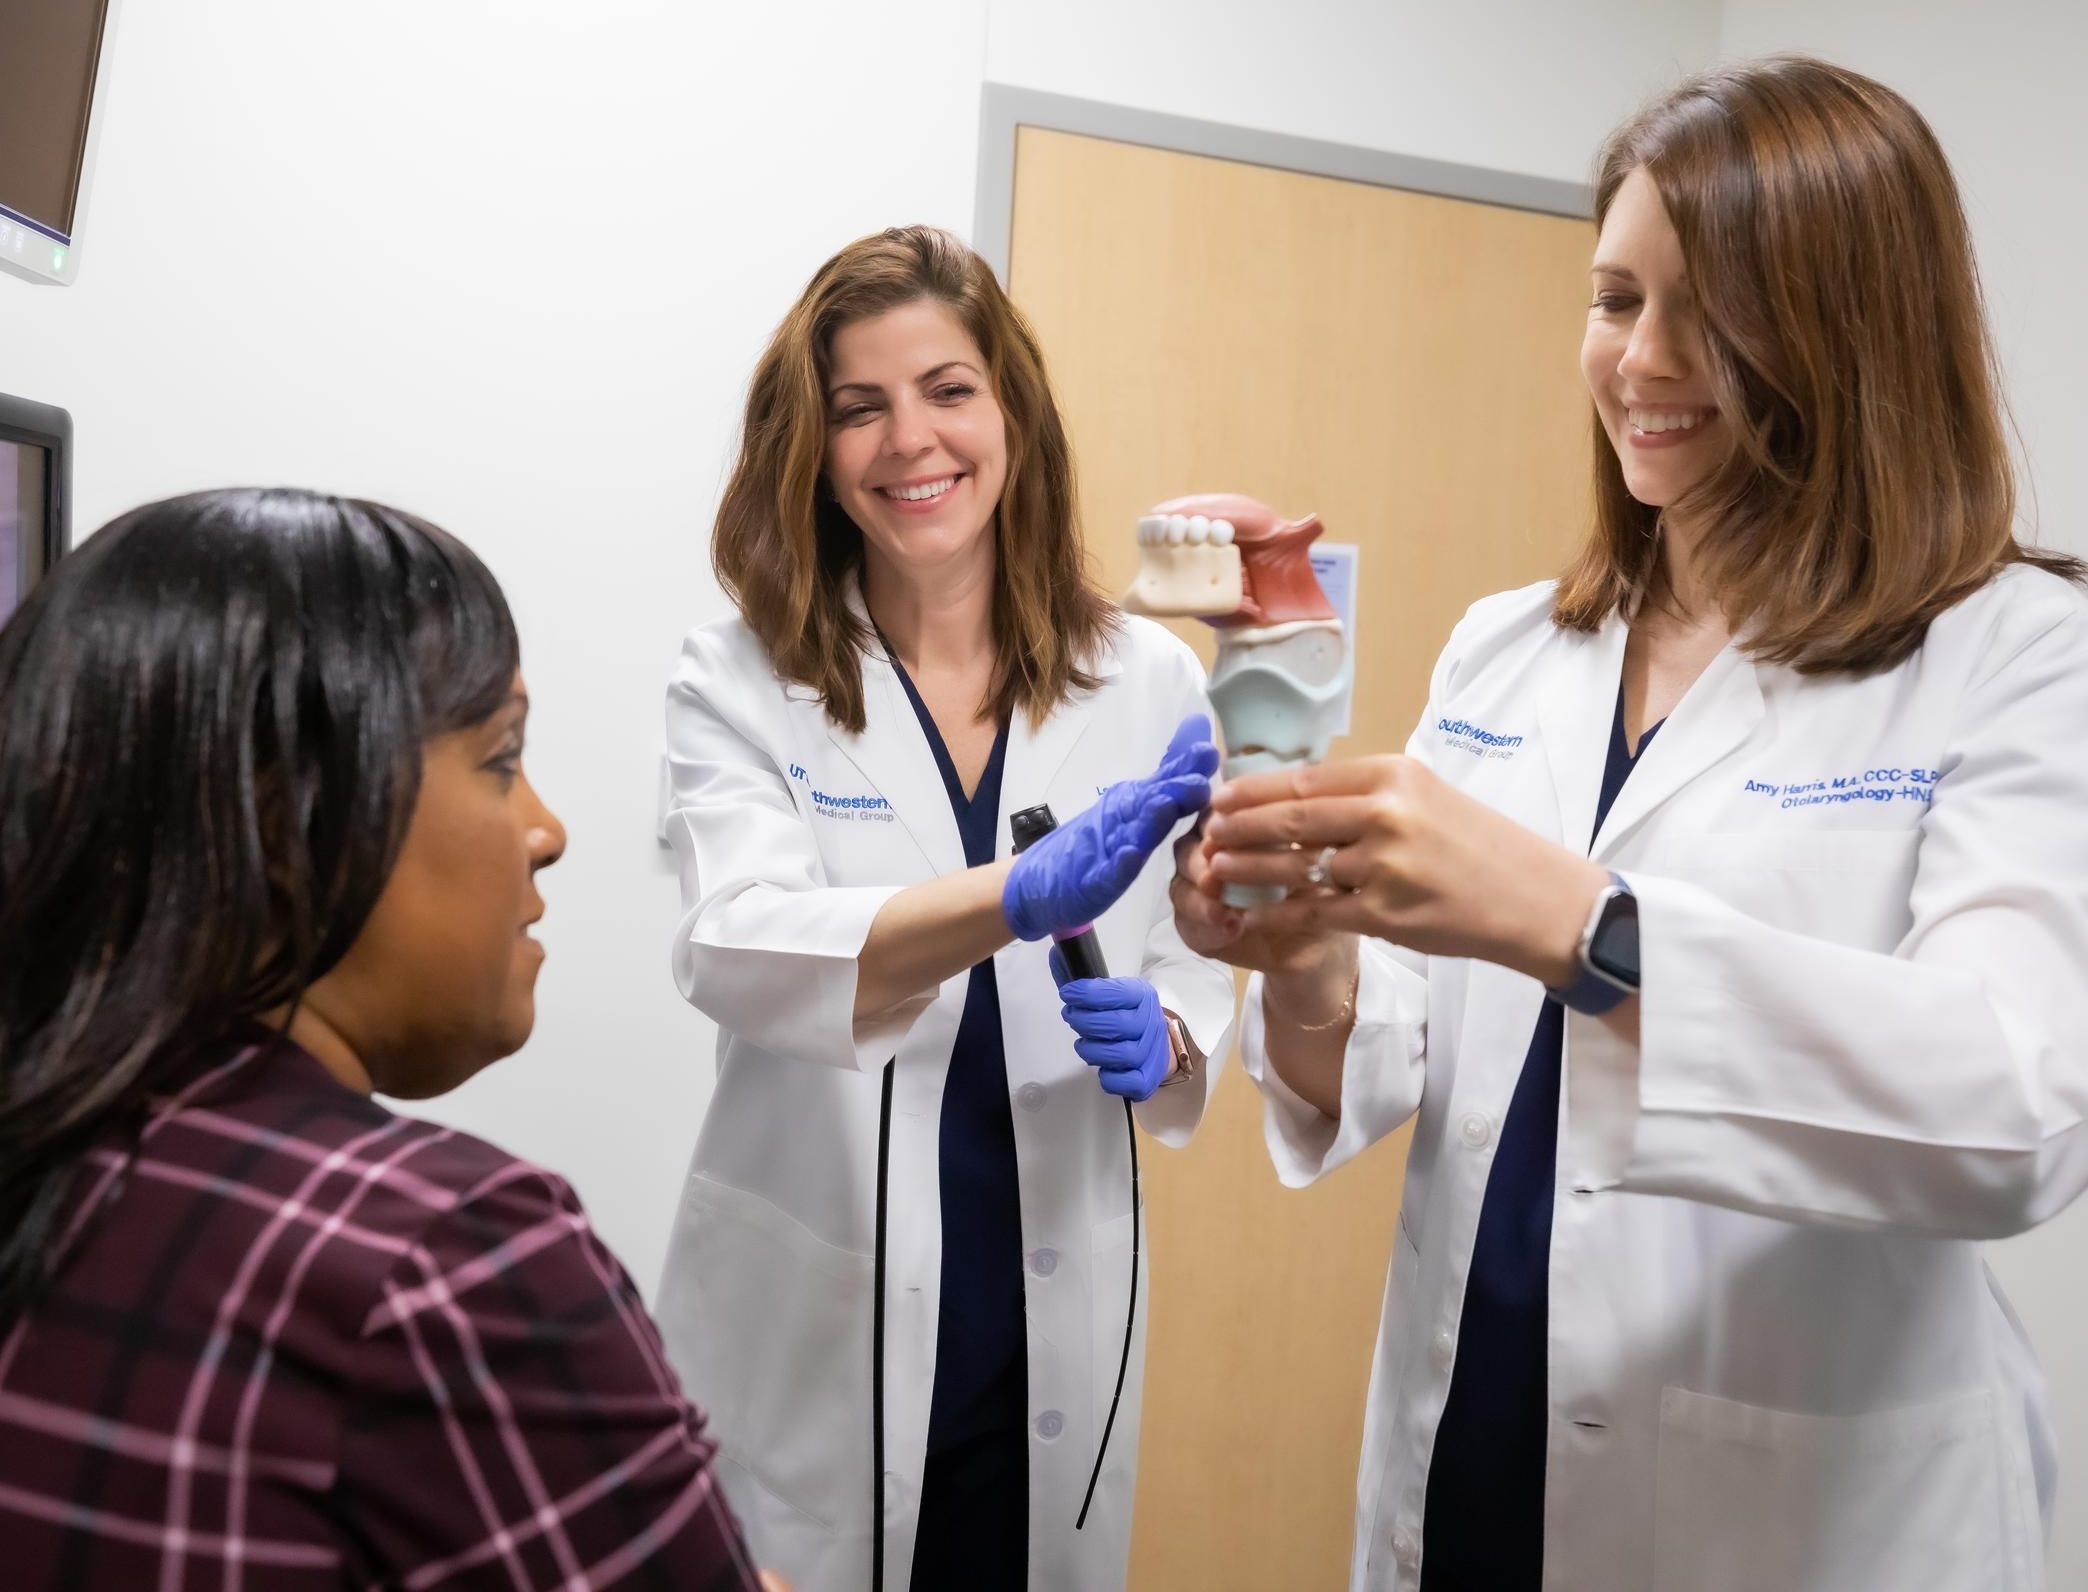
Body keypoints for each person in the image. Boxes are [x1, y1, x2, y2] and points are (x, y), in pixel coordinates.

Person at [1176, 57, 2088, 1592]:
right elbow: (1404, 1058)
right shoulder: (1511, 644)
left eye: (1708, 311)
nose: (1642, 362)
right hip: (1471, 1443)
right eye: (1614, 300)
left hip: (1793, 1514)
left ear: (1848, 330)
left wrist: (1586, 931)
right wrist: (1308, 964)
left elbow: (2016, 1112)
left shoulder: (2014, 654)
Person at [0, 488, 777, 1591]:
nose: (545, 832)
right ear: (287, 823)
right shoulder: (435, 1254)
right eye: (503, 758)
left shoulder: (61, 1153)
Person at [653, 225, 1236, 1592]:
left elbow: (1191, 956)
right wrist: (1009, 898)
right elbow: (736, 942)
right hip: (812, 1326)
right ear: (814, 445)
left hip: (1047, 1320)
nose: (910, 440)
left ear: (1012, 414)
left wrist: (1177, 1030)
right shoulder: (738, 676)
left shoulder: (1147, 679)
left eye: (948, 390)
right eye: (861, 407)